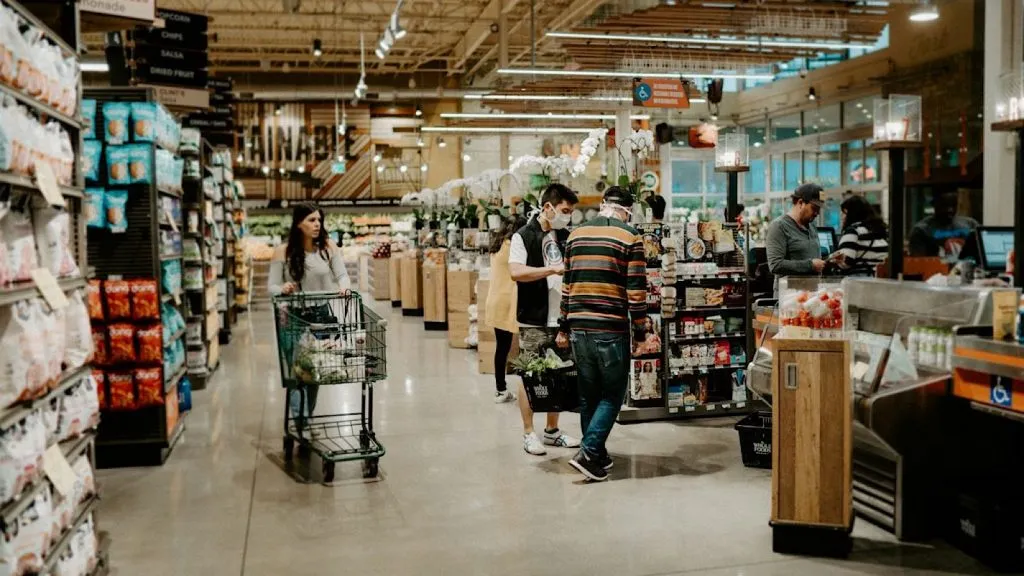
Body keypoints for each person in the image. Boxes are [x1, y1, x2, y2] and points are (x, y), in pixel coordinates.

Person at [558, 186, 647, 481]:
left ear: (602, 205)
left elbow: (567, 286)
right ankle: (589, 451)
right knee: (612, 395)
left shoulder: (575, 235)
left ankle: (598, 455)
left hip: (578, 327)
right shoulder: (630, 236)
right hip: (610, 327)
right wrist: (642, 331)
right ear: (628, 210)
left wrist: (562, 325)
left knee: (589, 395)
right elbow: (635, 291)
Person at [508, 183, 581, 455]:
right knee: (531, 375)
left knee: (559, 375)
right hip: (534, 319)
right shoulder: (523, 236)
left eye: (571, 211)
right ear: (548, 207)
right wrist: (549, 269)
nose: (567, 216)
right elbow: (516, 272)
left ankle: (552, 430)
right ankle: (529, 433)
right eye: (564, 210)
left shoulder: (566, 236)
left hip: (562, 318)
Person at [268, 202, 352, 428]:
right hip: (293, 317)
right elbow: (271, 287)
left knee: (315, 370)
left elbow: (342, 275)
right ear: (298, 224)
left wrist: (344, 287)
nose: (317, 225)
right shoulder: (282, 252)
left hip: (321, 316)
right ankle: (302, 422)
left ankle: (306, 417)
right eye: (311, 220)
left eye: (319, 220)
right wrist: (282, 288)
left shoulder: (328, 247)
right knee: (296, 373)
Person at [485, 215, 525, 403]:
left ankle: (500, 389)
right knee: (514, 346)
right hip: (508, 302)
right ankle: (515, 389)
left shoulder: (498, 245)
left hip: (495, 300)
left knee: (502, 347)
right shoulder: (512, 248)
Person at [765, 183, 825, 293]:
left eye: (819, 209)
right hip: (789, 296)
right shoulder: (779, 226)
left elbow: (812, 257)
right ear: (800, 203)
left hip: (812, 294)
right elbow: (775, 264)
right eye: (814, 208)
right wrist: (810, 265)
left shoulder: (811, 225)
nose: (817, 213)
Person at [908, 189, 979, 263]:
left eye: (953, 205)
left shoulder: (971, 224)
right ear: (934, 205)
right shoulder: (921, 230)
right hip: (936, 272)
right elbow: (919, 265)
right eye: (945, 205)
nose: (950, 210)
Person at [828, 195, 888, 277]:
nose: (841, 217)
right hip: (879, 280)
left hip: (860, 282)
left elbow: (846, 262)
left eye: (844, 213)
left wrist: (831, 258)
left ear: (852, 214)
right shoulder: (881, 230)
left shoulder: (853, 231)